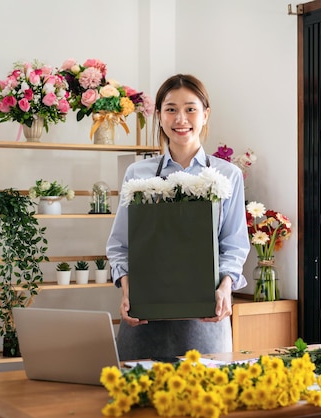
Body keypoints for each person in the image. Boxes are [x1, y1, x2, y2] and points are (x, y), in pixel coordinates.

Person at [106, 74, 250, 361]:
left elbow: (234, 244)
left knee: (205, 401)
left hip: (205, 319)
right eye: (171, 109)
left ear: (205, 115)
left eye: (190, 109)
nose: (180, 118)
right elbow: (119, 245)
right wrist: (127, 291)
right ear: (159, 115)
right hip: (144, 318)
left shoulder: (227, 175)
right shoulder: (137, 173)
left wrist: (225, 289)